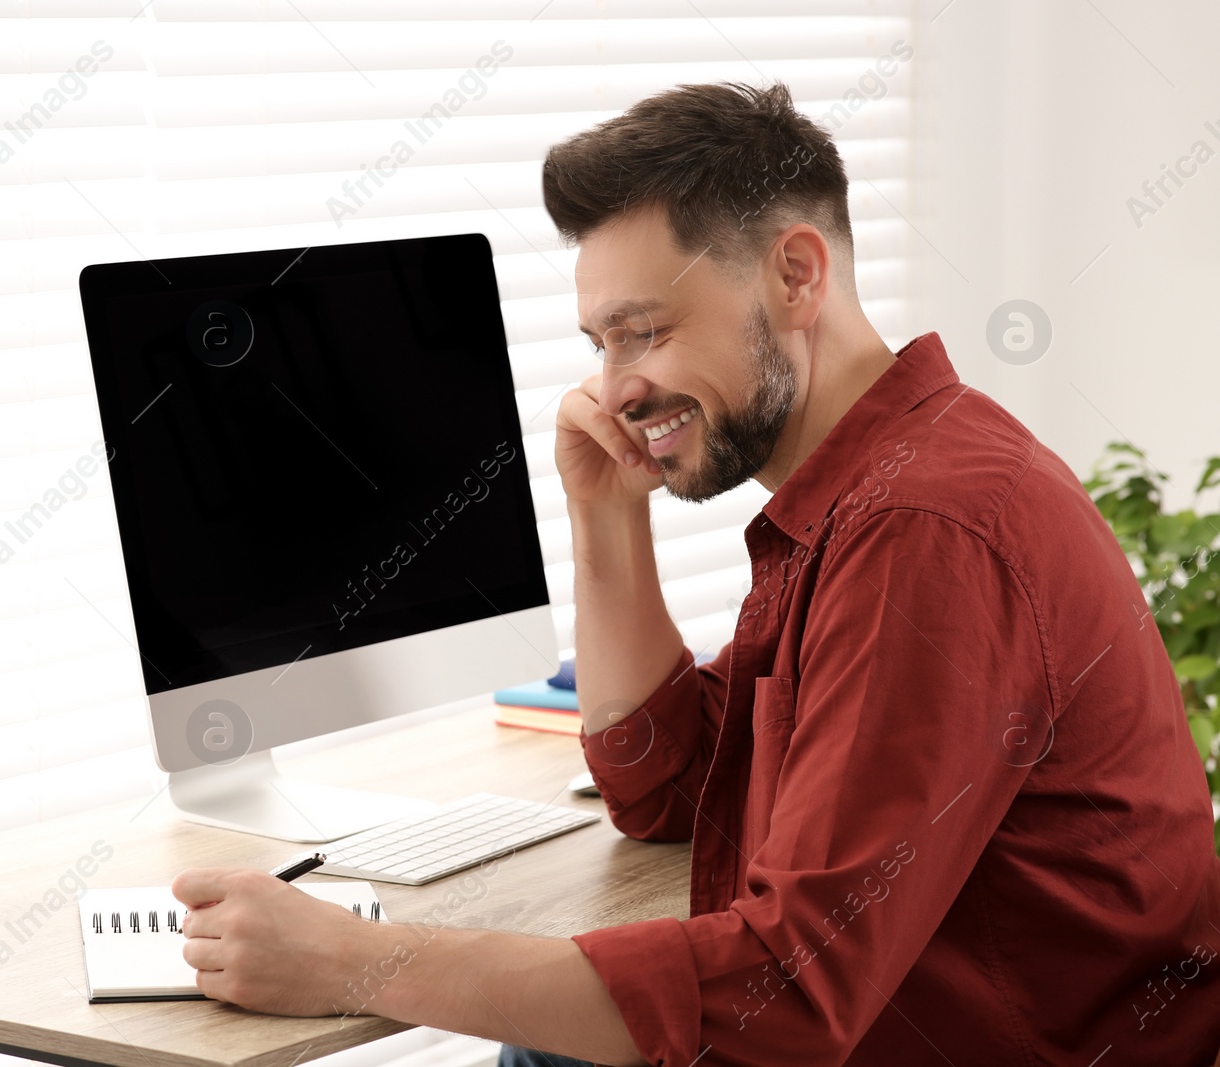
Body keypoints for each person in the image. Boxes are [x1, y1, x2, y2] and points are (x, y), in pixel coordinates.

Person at [172, 82, 1220, 1065]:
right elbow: (669, 782)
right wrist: (603, 511)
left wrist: (357, 960)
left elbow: (788, 986)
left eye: (646, 331)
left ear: (797, 274)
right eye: (598, 341)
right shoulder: (865, 489)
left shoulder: (921, 528)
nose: (614, 385)